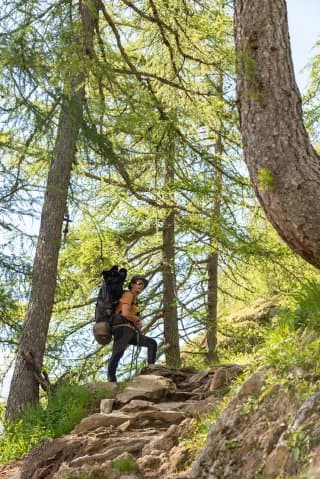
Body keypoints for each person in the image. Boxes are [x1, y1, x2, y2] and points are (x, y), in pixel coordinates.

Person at [107, 275, 157, 383]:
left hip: (129, 330)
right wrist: (136, 319)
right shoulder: (128, 295)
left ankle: (151, 371)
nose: (140, 286)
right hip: (122, 329)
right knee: (117, 353)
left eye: (142, 285)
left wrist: (136, 322)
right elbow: (125, 313)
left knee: (152, 343)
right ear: (132, 284)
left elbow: (129, 315)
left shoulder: (134, 299)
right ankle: (111, 380)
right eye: (138, 283)